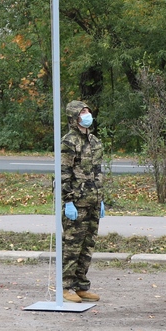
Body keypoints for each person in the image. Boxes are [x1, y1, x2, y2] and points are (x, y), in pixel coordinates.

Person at [60, 100, 104, 303]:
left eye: (88, 111)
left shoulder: (95, 142)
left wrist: (100, 199)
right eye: (82, 112)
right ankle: (65, 286)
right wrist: (68, 201)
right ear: (74, 117)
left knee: (87, 246)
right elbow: (64, 173)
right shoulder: (69, 142)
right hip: (76, 203)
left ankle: (81, 286)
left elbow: (98, 172)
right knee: (72, 247)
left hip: (92, 201)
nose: (87, 115)